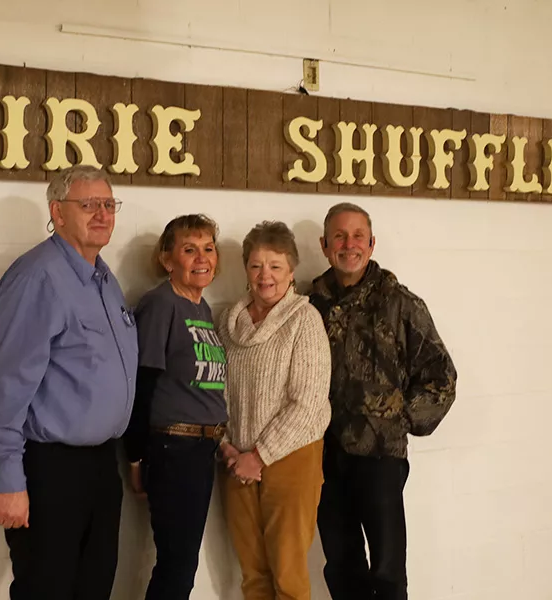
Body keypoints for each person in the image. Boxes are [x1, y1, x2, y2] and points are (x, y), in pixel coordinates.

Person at [0, 165, 138, 600]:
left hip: (101, 467)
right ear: (57, 212)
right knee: (46, 590)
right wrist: (9, 478)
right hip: (50, 469)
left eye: (108, 204)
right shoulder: (38, 277)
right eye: (88, 205)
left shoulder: (104, 279)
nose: (102, 214)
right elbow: (6, 385)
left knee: (94, 587)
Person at [309, 202, 457, 600]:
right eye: (339, 236)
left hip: (380, 456)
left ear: (372, 244)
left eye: (358, 236)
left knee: (388, 569)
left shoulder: (400, 303)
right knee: (340, 563)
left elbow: (441, 377)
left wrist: (396, 417)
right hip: (322, 455)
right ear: (324, 245)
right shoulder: (309, 306)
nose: (349, 244)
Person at [216, 220, 332, 600]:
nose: (265, 275)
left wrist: (260, 457)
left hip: (291, 459)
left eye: (275, 266)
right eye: (255, 265)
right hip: (236, 460)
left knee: (288, 576)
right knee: (253, 575)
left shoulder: (305, 320)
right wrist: (227, 445)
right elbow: (215, 390)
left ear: (291, 271)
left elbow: (308, 402)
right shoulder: (227, 322)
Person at [122, 214, 229, 600]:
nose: (202, 258)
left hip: (201, 451)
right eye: (189, 249)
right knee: (177, 565)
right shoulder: (160, 304)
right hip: (172, 450)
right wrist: (136, 459)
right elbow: (142, 384)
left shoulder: (203, 310)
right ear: (168, 260)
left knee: (183, 563)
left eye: (208, 248)